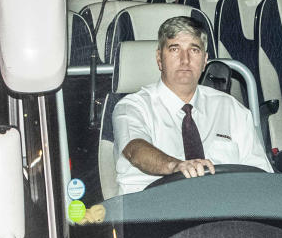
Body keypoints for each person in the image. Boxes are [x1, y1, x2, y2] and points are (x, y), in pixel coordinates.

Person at [112, 16, 272, 195]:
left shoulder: (231, 108)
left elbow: (261, 176)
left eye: (194, 50)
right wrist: (176, 166)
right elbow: (136, 150)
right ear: (159, 58)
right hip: (154, 210)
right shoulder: (132, 108)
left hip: (224, 209)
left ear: (205, 60)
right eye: (174, 49)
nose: (185, 60)